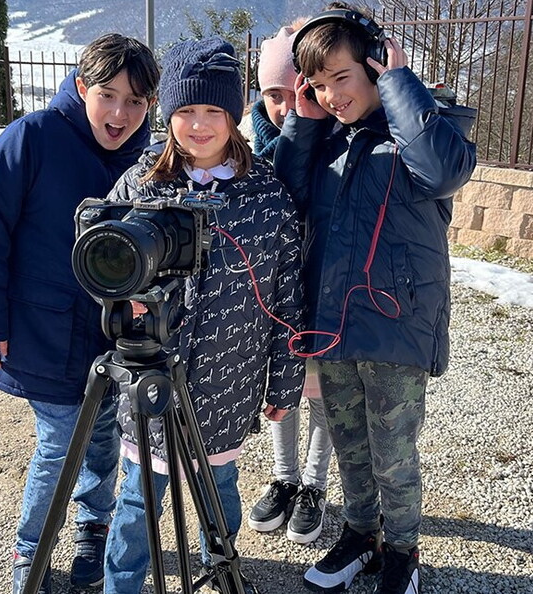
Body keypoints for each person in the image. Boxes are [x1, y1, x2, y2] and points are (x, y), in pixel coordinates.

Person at [273, 4, 477, 594]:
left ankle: (403, 552)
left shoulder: (426, 127)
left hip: (395, 327)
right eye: (317, 84)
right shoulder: (327, 141)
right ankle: (361, 536)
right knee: (349, 445)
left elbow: (442, 172)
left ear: (374, 62)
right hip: (333, 324)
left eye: (343, 77)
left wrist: (397, 84)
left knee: (393, 450)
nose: (333, 94)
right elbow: (281, 190)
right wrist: (304, 121)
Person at [100, 36, 305, 594]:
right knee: (138, 501)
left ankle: (221, 568)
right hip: (148, 378)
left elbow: (289, 299)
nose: (199, 125)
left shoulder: (267, 196)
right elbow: (102, 261)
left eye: (213, 110)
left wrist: (284, 383)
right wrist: (122, 300)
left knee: (220, 486)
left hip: (229, 379)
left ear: (235, 115)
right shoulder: (141, 183)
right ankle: (122, 583)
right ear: (168, 115)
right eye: (186, 110)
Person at [0, 34, 159, 594]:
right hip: (40, 328)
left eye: (136, 101)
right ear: (79, 87)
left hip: (111, 334)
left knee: (102, 441)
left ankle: (93, 530)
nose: (120, 114)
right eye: (108, 95)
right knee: (62, 441)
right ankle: (32, 551)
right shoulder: (34, 137)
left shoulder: (149, 160)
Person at [246, 23, 335, 547]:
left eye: (292, 93)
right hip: (276, 293)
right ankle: (283, 477)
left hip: (322, 288)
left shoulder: (335, 139)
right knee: (280, 387)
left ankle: (314, 485)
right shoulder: (252, 147)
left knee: (320, 389)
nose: (283, 107)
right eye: (272, 95)